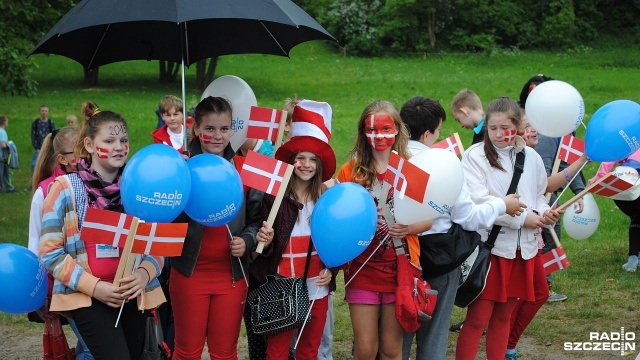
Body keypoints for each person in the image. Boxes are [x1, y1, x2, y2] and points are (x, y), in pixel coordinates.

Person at [398, 97, 525, 360]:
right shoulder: (444, 163)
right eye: (439, 129)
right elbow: (468, 217)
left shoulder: (387, 160)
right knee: (433, 333)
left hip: (395, 256)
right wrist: (501, 205)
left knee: (397, 334)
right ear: (428, 132)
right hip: (439, 258)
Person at [40, 110, 165, 359]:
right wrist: (95, 287)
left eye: (123, 140)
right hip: (88, 297)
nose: (119, 147)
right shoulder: (65, 188)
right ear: (90, 144)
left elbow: (158, 244)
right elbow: (50, 252)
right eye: (109, 141)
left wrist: (144, 273)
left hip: (132, 295)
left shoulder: (141, 188)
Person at [455, 97, 561, 360]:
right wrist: (523, 219)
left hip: (522, 250)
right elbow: (479, 202)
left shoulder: (532, 156)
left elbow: (538, 195)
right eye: (493, 128)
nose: (499, 134)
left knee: (503, 318)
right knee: (478, 319)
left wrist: (544, 214)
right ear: (486, 127)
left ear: (518, 127)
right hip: (490, 250)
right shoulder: (474, 157)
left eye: (505, 128)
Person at [169, 96, 265, 360]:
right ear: (196, 129)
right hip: (189, 272)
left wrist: (247, 240)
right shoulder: (180, 167)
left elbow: (258, 221)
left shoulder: (248, 169)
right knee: (187, 351)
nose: (217, 136)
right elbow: (163, 216)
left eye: (224, 129)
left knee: (225, 352)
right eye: (209, 129)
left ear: (232, 129)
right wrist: (180, 181)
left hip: (232, 275)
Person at [336, 100, 424, 360]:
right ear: (363, 132)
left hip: (400, 270)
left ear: (397, 130)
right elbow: (337, 219)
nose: (379, 136)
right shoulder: (350, 171)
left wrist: (408, 227)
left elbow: (429, 220)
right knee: (364, 349)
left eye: (385, 129)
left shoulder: (411, 170)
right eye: (372, 130)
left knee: (391, 349)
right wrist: (360, 218)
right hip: (362, 268)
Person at [250, 99, 336, 360]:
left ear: (320, 164)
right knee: (276, 351)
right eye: (301, 158)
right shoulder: (273, 198)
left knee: (309, 350)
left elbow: (336, 242)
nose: (307, 165)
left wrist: (332, 270)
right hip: (282, 285)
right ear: (291, 161)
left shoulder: (327, 199)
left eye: (312, 159)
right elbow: (265, 251)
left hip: (315, 285)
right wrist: (266, 240)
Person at [506, 111, 587, 360]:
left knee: (537, 294)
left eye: (535, 127)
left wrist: (584, 159)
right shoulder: (514, 159)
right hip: (513, 242)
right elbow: (544, 188)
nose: (534, 131)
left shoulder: (533, 157)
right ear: (514, 134)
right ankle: (505, 344)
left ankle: (507, 342)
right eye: (527, 127)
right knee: (519, 296)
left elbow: (545, 188)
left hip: (531, 239)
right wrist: (534, 216)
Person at [517, 74, 587, 303]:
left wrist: (579, 190)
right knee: (545, 235)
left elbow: (568, 158)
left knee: (549, 234)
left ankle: (541, 284)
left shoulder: (564, 125)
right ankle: (539, 285)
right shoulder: (536, 128)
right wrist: (548, 198)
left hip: (549, 191)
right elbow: (544, 178)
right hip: (538, 193)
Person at [588, 149, 640, 272]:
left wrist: (597, 179)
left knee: (637, 218)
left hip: (621, 192)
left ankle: (633, 259)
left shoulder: (629, 142)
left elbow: (608, 162)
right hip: (634, 189)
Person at [31, 105, 56, 173]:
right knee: (34, 165)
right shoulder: (35, 123)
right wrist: (36, 147)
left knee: (48, 165)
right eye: (42, 111)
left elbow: (53, 135)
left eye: (45, 111)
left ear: (47, 112)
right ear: (40, 112)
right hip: (38, 149)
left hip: (48, 147)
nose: (44, 112)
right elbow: (33, 136)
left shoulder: (50, 123)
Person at [0, 114, 17, 193]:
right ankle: (6, 188)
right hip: (2, 157)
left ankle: (8, 187)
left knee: (4, 172)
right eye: (7, 121)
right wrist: (10, 145)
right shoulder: (2, 132)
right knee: (3, 173)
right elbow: (3, 145)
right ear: (4, 122)